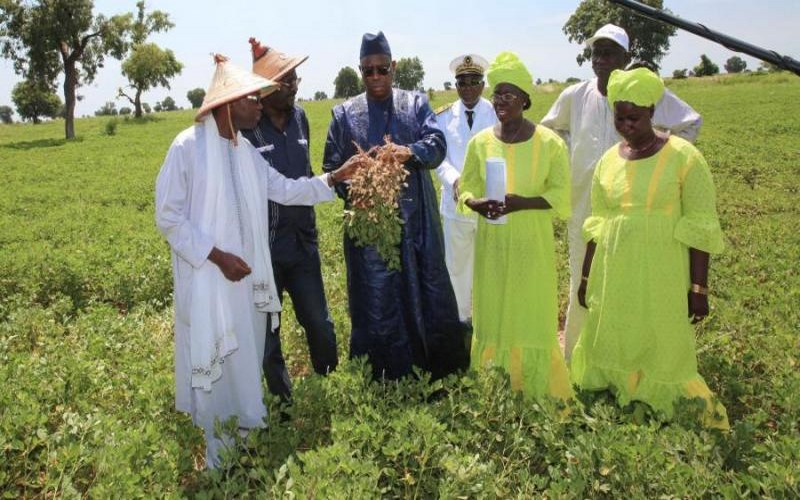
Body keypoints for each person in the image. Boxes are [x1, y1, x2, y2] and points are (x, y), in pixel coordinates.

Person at [155, 55, 359, 468]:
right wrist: (218, 257)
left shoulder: (244, 151)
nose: (260, 106)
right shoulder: (187, 147)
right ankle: (219, 456)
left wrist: (336, 178)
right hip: (211, 280)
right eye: (252, 99)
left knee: (244, 356)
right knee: (218, 360)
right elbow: (168, 217)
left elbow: (284, 189)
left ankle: (243, 434)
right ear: (229, 103)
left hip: (245, 279)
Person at [571, 68, 729, 429]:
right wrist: (585, 276)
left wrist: (698, 289)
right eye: (619, 117)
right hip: (614, 270)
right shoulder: (608, 161)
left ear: (652, 112)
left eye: (634, 117)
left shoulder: (684, 157)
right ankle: (617, 391)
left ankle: (667, 401)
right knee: (616, 331)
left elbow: (701, 226)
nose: (626, 125)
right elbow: (596, 224)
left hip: (663, 270)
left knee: (662, 338)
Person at [540, 24, 703, 361]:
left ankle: (622, 359)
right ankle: (577, 359)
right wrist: (570, 152)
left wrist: (660, 154)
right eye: (596, 52)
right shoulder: (574, 95)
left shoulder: (646, 94)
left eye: (609, 53)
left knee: (624, 281)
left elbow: (690, 122)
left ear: (625, 58)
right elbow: (547, 131)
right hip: (583, 205)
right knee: (580, 282)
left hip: (631, 209)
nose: (601, 59)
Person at [322, 31, 468, 381]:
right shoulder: (344, 115)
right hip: (371, 233)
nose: (375, 77)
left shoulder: (415, 104)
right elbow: (332, 168)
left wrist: (409, 152)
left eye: (382, 69)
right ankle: (384, 374)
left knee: (427, 291)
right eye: (368, 70)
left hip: (418, 225)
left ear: (394, 67)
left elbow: (436, 145)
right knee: (378, 300)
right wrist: (360, 191)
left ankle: (438, 369)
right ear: (360, 70)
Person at [458, 52, 573, 402]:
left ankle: (538, 388)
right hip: (493, 244)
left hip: (530, 244)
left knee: (530, 314)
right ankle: (496, 387)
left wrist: (522, 202)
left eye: (510, 94)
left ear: (525, 98)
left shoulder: (550, 143)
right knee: (494, 313)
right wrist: (475, 203)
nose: (501, 101)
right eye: (497, 94)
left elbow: (560, 196)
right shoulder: (480, 143)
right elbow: (466, 188)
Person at [242, 38, 337, 403]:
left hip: (302, 241)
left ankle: (329, 380)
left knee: (318, 320)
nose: (295, 86)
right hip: (264, 248)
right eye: (287, 81)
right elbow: (274, 188)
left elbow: (306, 172)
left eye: (296, 79)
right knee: (269, 331)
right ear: (265, 89)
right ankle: (282, 400)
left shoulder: (300, 118)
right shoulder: (248, 128)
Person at [434, 54, 497, 325]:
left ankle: (487, 322)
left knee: (490, 267)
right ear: (455, 85)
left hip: (488, 204)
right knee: (456, 268)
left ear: (483, 84)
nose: (468, 87)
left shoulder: (497, 113)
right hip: (454, 205)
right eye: (462, 82)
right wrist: (454, 180)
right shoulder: (443, 117)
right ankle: (460, 323)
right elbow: (438, 159)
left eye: (474, 81)